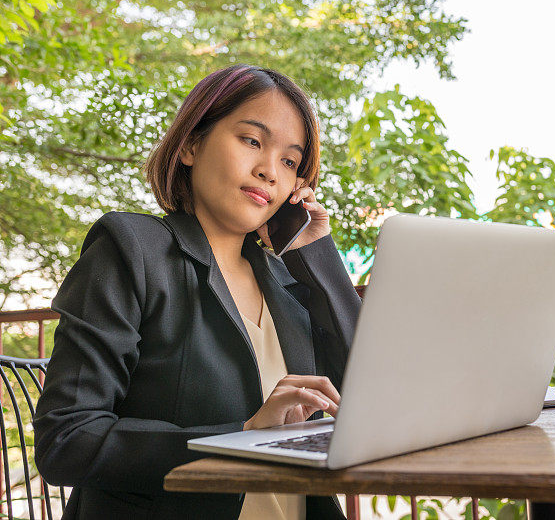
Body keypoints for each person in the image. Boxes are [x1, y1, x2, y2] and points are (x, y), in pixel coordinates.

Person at [33, 64, 360, 519]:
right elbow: (66, 440)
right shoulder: (131, 249)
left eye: (290, 161)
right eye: (251, 140)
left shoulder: (288, 283)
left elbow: (368, 396)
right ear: (190, 143)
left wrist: (316, 255)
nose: (269, 170)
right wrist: (242, 435)